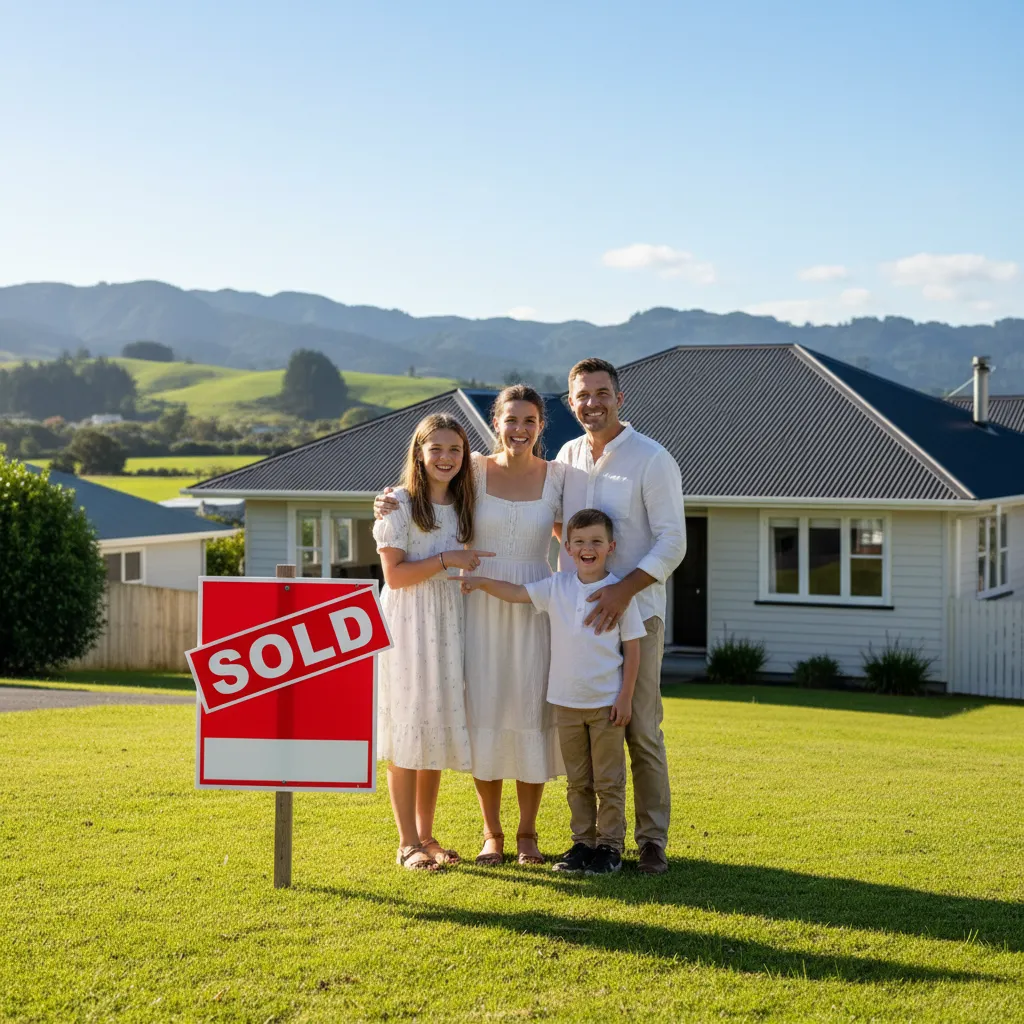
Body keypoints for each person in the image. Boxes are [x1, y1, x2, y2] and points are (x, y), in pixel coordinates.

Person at [376, 385, 564, 866]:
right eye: (511, 420)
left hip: (498, 607)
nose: (519, 429)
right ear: (495, 423)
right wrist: (388, 506)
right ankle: (450, 838)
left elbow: (574, 529)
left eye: (530, 420)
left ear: (542, 425)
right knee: (440, 720)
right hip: (452, 611)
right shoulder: (463, 477)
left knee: (482, 718)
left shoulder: (547, 477)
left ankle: (499, 836)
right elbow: (397, 568)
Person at [458, 508, 645, 875]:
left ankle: (609, 847)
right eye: (578, 542)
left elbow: (634, 648)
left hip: (606, 704)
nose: (587, 548)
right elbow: (515, 593)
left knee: (608, 782)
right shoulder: (557, 586)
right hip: (565, 705)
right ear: (568, 547)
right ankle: (582, 844)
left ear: (611, 546)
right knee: (577, 782)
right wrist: (480, 582)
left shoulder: (618, 594)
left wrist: (625, 697)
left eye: (595, 541)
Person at [556, 357, 686, 875]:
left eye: (602, 392)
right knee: (588, 732)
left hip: (638, 616)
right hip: (578, 623)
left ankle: (651, 840)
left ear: (619, 398)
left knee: (641, 730)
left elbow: (673, 541)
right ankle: (593, 840)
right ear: (571, 403)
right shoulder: (565, 457)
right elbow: (544, 515)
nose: (593, 402)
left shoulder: (652, 459)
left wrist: (622, 592)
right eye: (583, 394)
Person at [372, 413, 495, 871]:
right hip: (407, 625)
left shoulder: (465, 503)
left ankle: (428, 835)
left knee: (433, 728)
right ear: (419, 454)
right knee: (407, 729)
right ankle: (407, 843)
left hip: (447, 624)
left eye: (455, 450)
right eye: (436, 449)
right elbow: (394, 575)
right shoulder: (399, 504)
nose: (446, 458)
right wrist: (447, 559)